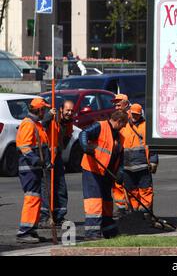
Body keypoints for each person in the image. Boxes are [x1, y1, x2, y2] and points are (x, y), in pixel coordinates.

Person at [79, 110, 128, 240]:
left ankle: (108, 229)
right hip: (92, 169)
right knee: (94, 201)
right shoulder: (100, 126)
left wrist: (119, 174)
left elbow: (121, 159)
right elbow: (84, 133)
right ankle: (92, 233)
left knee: (106, 201)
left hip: (107, 173)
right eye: (123, 124)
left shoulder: (120, 137)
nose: (124, 127)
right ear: (119, 121)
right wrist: (85, 146)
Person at [15, 98, 51, 243]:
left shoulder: (36, 124)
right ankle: (24, 232)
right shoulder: (29, 124)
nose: (46, 112)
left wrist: (47, 163)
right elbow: (24, 147)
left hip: (35, 168)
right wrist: (37, 160)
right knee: (32, 199)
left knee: (36, 199)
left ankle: (31, 229)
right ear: (40, 110)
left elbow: (41, 147)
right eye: (45, 110)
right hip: (29, 169)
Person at [120, 104, 159, 223]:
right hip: (127, 166)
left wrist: (153, 161)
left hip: (142, 166)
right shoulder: (123, 126)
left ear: (140, 114)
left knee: (145, 190)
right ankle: (136, 213)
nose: (134, 117)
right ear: (129, 113)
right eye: (133, 114)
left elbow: (152, 145)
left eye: (137, 115)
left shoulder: (146, 126)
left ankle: (146, 213)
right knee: (131, 191)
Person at [39, 100, 74, 228]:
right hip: (47, 156)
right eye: (67, 110)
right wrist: (48, 116)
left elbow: (67, 136)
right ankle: (44, 217)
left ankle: (59, 216)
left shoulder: (68, 121)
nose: (69, 113)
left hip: (57, 156)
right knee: (47, 187)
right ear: (61, 109)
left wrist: (60, 147)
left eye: (71, 110)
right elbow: (42, 125)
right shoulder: (52, 118)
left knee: (61, 187)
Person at [111, 94, 131, 215]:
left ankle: (132, 207)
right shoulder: (116, 117)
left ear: (126, 104)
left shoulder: (133, 116)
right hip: (119, 153)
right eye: (115, 104)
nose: (116, 106)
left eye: (119, 104)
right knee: (117, 181)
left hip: (131, 153)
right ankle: (121, 206)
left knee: (130, 182)